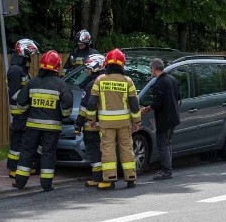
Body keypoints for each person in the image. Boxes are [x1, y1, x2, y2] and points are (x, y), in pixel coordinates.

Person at [12, 50, 73, 191]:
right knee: (48, 153)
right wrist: (63, 115)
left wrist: (28, 110)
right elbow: (67, 107)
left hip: (32, 126)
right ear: (57, 67)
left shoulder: (32, 82)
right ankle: (46, 184)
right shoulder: (61, 84)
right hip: (52, 128)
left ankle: (20, 182)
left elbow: (21, 104)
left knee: (27, 152)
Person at [81, 48, 141, 190]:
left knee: (108, 150)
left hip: (106, 123)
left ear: (106, 64)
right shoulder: (128, 81)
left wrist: (91, 119)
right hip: (124, 123)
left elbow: (91, 102)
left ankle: (110, 179)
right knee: (126, 148)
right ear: (122, 64)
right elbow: (134, 104)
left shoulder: (100, 80)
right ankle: (130, 178)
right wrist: (137, 121)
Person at [141, 58, 181, 181]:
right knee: (167, 143)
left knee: (162, 144)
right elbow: (179, 97)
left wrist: (147, 108)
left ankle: (166, 171)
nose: (150, 71)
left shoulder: (158, 83)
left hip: (164, 119)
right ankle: (167, 168)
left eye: (150, 68)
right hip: (173, 117)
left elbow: (157, 103)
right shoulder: (172, 79)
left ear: (153, 68)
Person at [6, 38, 40, 179]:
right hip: (19, 113)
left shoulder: (21, 70)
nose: (31, 58)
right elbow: (15, 94)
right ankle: (13, 169)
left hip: (24, 112)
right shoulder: (15, 71)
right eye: (29, 54)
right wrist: (32, 95)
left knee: (25, 141)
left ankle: (24, 166)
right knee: (17, 142)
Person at [75, 53, 107, 187]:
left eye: (88, 68)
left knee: (93, 151)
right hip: (106, 124)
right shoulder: (106, 81)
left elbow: (84, 108)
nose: (86, 71)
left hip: (91, 125)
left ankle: (97, 178)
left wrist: (78, 124)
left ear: (95, 67)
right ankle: (104, 176)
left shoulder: (90, 85)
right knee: (104, 151)